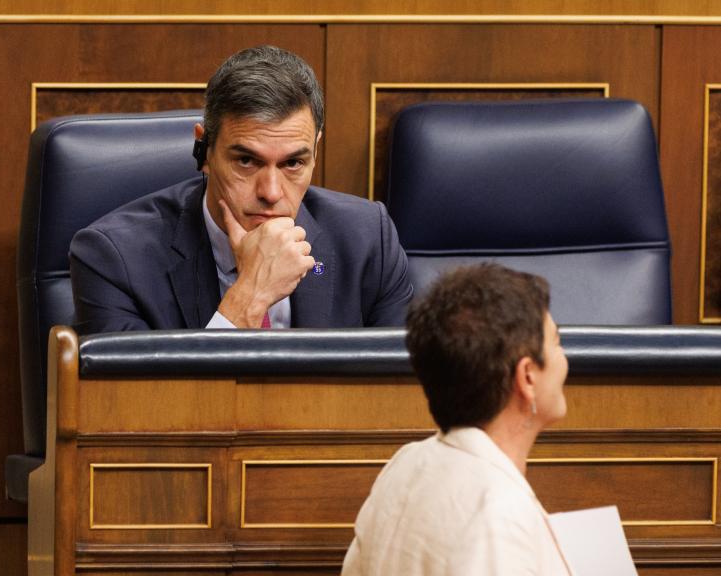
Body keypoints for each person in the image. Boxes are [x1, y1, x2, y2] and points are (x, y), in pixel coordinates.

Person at [69, 45, 412, 333]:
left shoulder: (367, 241)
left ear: (315, 151)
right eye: (246, 161)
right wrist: (250, 295)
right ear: (204, 151)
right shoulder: (115, 259)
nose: (272, 192)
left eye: (293, 163)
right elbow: (130, 410)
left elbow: (400, 396)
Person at [342, 263, 572, 575]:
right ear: (527, 377)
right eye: (557, 343)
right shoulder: (498, 513)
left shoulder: (405, 463)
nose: (565, 360)